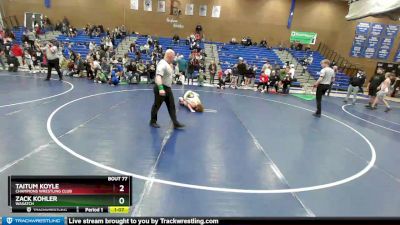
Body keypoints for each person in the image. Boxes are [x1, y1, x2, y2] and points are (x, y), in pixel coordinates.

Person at [150, 49, 184, 129]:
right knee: (156, 105)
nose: (174, 58)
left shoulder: (168, 64)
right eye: (173, 57)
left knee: (172, 106)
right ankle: (153, 121)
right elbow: (158, 77)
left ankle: (175, 123)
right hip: (161, 87)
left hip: (168, 88)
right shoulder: (162, 64)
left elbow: (168, 75)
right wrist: (161, 88)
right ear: (169, 56)